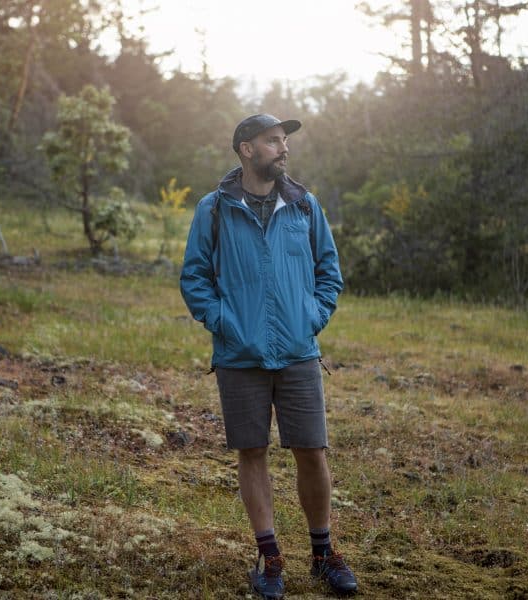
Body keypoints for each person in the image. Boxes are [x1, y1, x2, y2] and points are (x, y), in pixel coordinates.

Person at [180, 114, 358, 598]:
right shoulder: (214, 209)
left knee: (312, 451)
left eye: (284, 141)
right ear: (246, 149)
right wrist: (225, 323)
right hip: (240, 356)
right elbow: (194, 278)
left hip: (299, 351)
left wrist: (310, 317)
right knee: (252, 452)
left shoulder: (304, 206)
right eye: (273, 141)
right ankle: (269, 554)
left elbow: (330, 272)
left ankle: (322, 553)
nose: (283, 149)